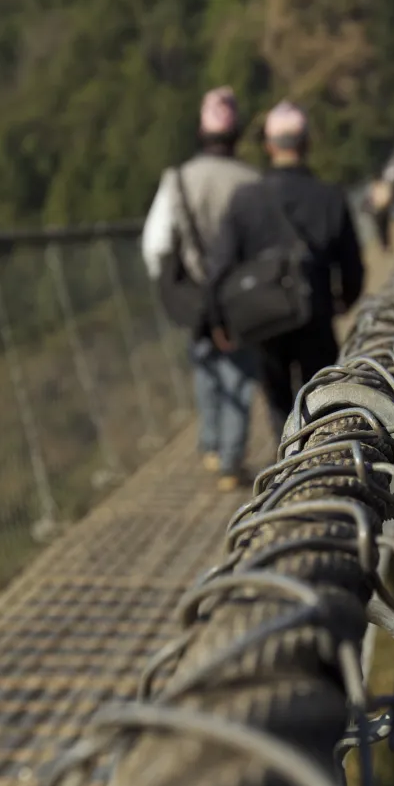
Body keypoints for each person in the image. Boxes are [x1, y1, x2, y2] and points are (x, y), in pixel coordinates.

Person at [203, 100, 365, 437]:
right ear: (306, 143)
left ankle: (285, 464)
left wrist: (218, 320)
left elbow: (219, 268)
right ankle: (323, 462)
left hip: (265, 318)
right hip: (315, 314)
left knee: (278, 401)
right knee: (322, 397)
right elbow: (352, 264)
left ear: (268, 146)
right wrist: (343, 300)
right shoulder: (330, 197)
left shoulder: (245, 199)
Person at [141, 86, 260, 491]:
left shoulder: (177, 181)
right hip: (240, 297)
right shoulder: (251, 182)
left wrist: (173, 288)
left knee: (205, 367)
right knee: (239, 376)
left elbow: (156, 243)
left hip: (195, 297)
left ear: (200, 132)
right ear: (236, 134)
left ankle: (210, 446)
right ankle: (231, 460)